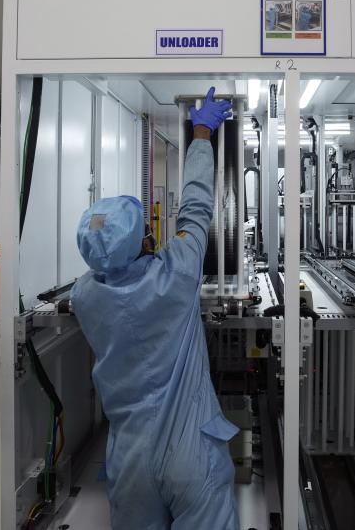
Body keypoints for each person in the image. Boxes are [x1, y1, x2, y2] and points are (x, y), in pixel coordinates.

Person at [72, 87, 240, 530]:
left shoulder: (85, 298)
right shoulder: (178, 273)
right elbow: (197, 207)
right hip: (191, 454)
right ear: (146, 239)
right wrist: (201, 132)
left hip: (131, 461)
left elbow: (100, 271)